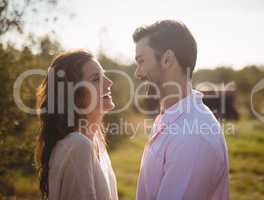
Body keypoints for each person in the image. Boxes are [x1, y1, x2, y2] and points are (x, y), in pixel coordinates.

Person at [133, 20, 229, 200]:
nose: (137, 73)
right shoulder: (170, 117)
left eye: (141, 62)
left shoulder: (193, 137)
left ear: (167, 59)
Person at [35, 49, 118, 200]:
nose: (109, 82)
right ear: (73, 95)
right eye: (95, 79)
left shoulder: (96, 141)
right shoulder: (78, 146)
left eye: (104, 75)